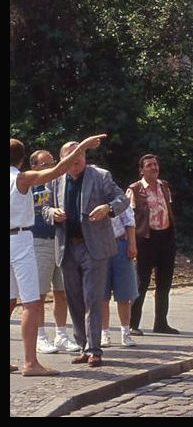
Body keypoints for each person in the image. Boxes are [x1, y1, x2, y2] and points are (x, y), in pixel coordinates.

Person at [11, 134, 105, 376]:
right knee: (31, 303)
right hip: (20, 239)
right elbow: (58, 171)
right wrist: (82, 147)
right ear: (22, 159)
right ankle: (30, 362)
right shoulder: (21, 178)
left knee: (10, 301)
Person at [41, 137, 128, 368]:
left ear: (85, 157)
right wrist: (52, 213)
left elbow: (122, 200)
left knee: (92, 298)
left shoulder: (101, 176)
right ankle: (82, 346)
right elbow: (44, 208)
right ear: (62, 160)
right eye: (71, 156)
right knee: (74, 300)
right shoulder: (54, 179)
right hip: (66, 246)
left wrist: (107, 208)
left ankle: (94, 350)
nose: (76, 160)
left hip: (94, 247)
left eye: (79, 155)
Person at [27, 150, 74, 355]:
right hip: (39, 241)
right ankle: (40, 336)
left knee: (62, 292)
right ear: (34, 167)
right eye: (44, 164)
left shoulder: (60, 183)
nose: (50, 167)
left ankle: (62, 334)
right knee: (38, 294)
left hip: (60, 241)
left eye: (52, 162)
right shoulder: (27, 185)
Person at [127, 154, 179, 335]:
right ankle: (133, 324)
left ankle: (161, 323)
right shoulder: (134, 189)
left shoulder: (164, 186)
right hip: (145, 239)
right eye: (149, 165)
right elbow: (128, 218)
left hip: (165, 238)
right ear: (141, 170)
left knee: (164, 283)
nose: (153, 168)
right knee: (141, 283)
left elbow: (168, 209)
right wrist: (131, 242)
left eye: (155, 164)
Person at [99, 200, 138, 347]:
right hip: (100, 246)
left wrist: (132, 245)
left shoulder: (119, 197)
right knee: (102, 294)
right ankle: (104, 333)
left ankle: (126, 333)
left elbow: (129, 221)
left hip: (120, 244)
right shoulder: (91, 193)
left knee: (124, 292)